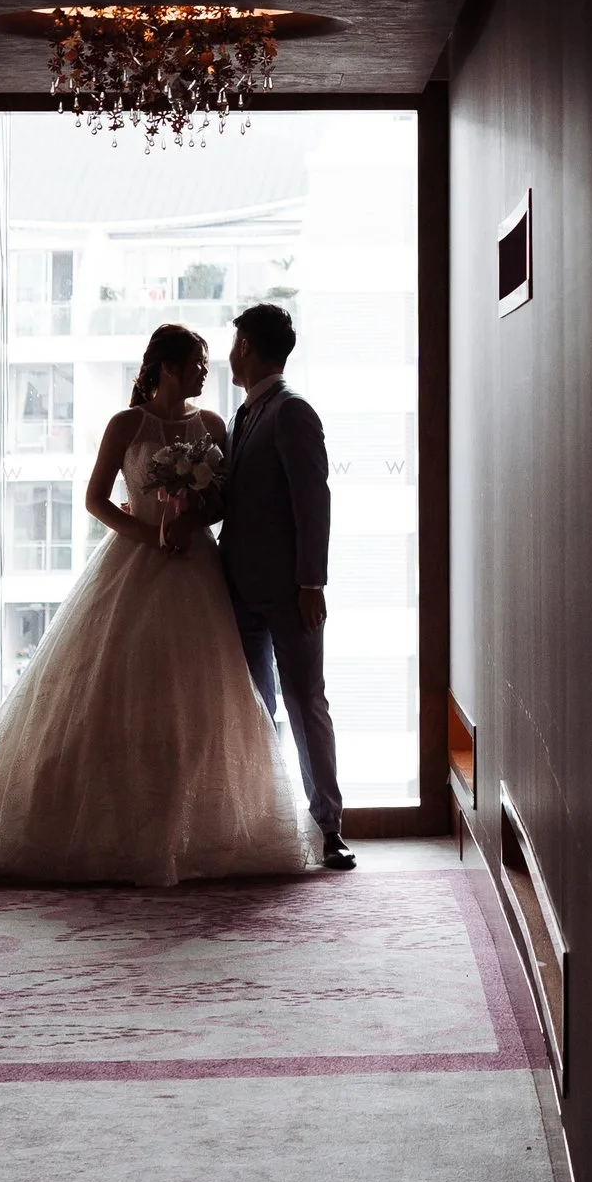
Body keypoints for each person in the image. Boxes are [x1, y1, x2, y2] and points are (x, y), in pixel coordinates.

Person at [0, 321, 316, 886]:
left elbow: (227, 497)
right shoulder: (127, 424)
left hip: (197, 566)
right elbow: (95, 499)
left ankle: (198, 823)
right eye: (198, 363)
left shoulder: (212, 426)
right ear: (169, 367)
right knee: (116, 686)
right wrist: (148, 532)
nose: (207, 371)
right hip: (134, 560)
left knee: (201, 692)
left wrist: (192, 520)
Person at [214, 302, 355, 868]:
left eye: (232, 344)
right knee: (255, 708)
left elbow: (313, 503)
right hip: (236, 590)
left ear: (245, 346)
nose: (228, 354)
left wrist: (311, 584)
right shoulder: (241, 416)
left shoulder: (292, 412)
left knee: (304, 701)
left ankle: (329, 827)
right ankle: (266, 823)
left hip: (289, 593)